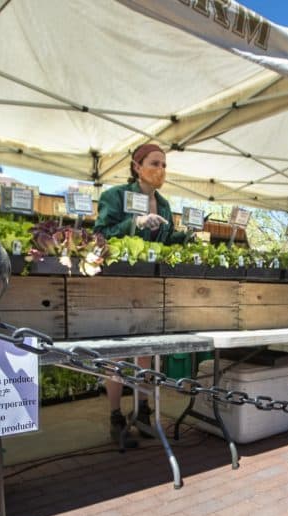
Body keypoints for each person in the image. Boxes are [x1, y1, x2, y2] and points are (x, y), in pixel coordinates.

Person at [93, 142, 190, 446]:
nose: (160, 170)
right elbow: (101, 233)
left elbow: (166, 241)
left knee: (146, 351)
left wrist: (184, 234)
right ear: (137, 166)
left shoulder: (163, 204)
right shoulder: (114, 196)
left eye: (164, 165)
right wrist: (133, 222)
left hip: (149, 284)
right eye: (155, 163)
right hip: (117, 283)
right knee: (118, 352)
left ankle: (143, 409)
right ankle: (115, 415)